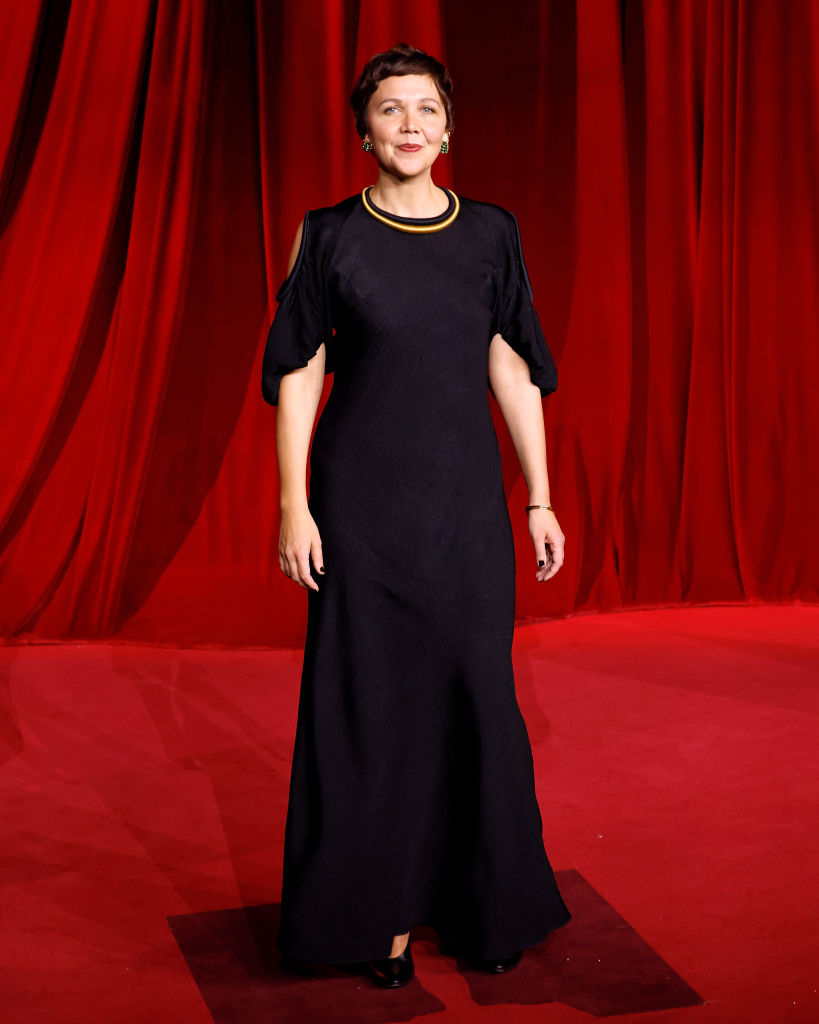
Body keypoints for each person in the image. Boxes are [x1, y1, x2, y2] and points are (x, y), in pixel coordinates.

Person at [261, 42, 571, 990]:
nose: (408, 125)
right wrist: (292, 502)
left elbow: (511, 367)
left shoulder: (490, 234)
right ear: (364, 131)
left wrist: (539, 496)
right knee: (371, 709)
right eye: (390, 110)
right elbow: (297, 367)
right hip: (359, 509)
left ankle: (484, 906)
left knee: (477, 695)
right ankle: (378, 917)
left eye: (425, 109)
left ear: (447, 128)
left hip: (463, 508)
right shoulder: (327, 235)